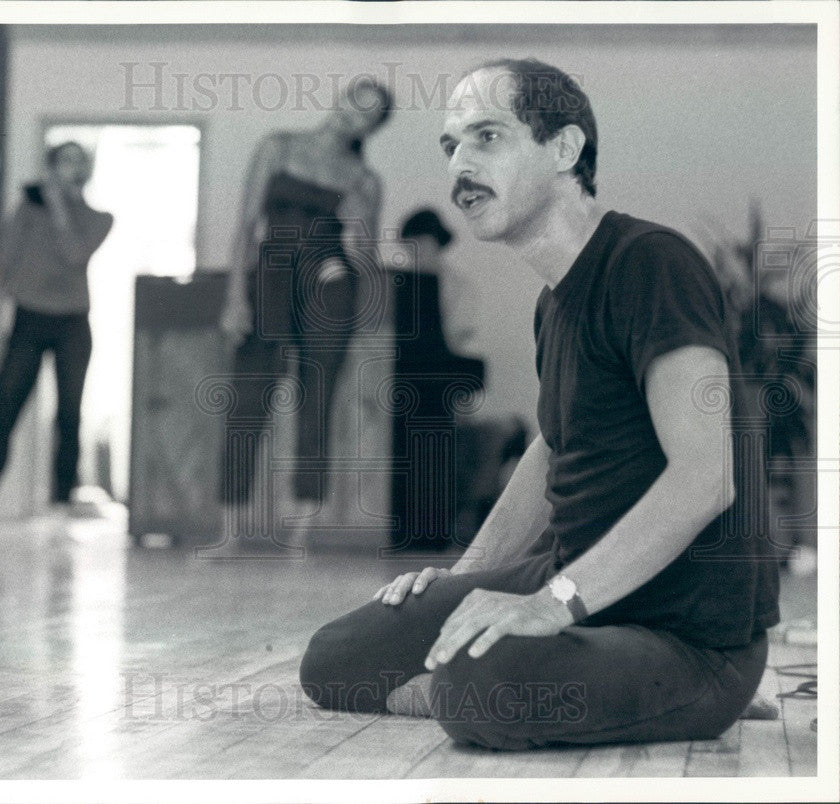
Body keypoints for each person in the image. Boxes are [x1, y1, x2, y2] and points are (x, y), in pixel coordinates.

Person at [300, 57, 780, 750]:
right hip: (571, 577)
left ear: (564, 148)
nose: (460, 162)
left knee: (479, 687)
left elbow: (706, 479)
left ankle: (706, 701)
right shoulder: (554, 302)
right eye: (451, 145)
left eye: (486, 137)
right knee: (334, 662)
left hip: (688, 635)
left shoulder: (652, 264)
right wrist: (457, 587)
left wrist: (554, 605)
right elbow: (553, 445)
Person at [218, 78, 392, 527]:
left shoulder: (363, 179)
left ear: (368, 130)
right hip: (269, 281)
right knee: (248, 398)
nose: (353, 115)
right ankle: (230, 528)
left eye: (366, 116)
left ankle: (300, 531)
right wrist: (235, 296)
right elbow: (245, 227)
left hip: (329, 288)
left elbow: (367, 259)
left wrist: (360, 222)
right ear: (341, 97)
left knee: (316, 402)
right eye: (355, 102)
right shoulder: (277, 147)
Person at [0, 141, 114, 536]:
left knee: (69, 414)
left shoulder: (99, 218)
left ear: (84, 170)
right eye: (63, 159)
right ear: (51, 166)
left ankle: (61, 506)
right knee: (4, 409)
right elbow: (2, 270)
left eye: (77, 160)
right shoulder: (25, 210)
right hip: (27, 321)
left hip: (73, 324)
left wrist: (59, 205)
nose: (69, 167)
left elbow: (75, 254)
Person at [389, 209, 485, 550]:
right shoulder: (392, 286)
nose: (421, 252)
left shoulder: (458, 286)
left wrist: (459, 392)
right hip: (399, 384)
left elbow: (462, 341)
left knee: (434, 460)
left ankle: (432, 536)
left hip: (436, 385)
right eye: (414, 245)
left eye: (427, 245)